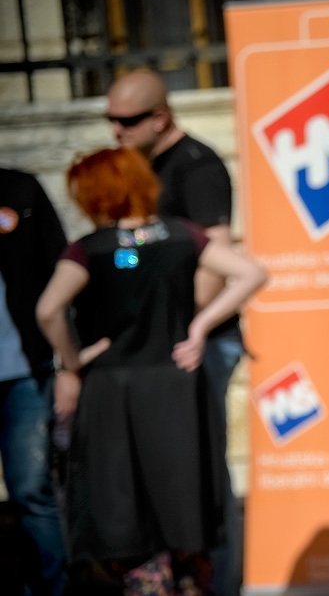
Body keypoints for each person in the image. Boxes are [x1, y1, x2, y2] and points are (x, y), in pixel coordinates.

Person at [35, 147, 267, 594]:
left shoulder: (90, 249)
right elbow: (252, 273)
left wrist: (71, 360)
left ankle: (147, 583)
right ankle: (188, 581)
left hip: (110, 390)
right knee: (183, 497)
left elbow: (48, 310)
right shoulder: (182, 235)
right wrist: (200, 327)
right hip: (176, 386)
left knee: (121, 499)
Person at [106, 69, 245, 595]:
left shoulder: (197, 166)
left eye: (127, 120)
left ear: (160, 117)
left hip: (198, 342)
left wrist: (185, 329)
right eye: (110, 119)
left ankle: (220, 585)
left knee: (204, 468)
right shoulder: (140, 163)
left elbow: (215, 262)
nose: (116, 130)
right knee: (172, 468)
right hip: (164, 343)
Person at [0, 168, 68, 595]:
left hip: (24, 371)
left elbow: (60, 267)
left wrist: (69, 364)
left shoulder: (19, 190)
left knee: (31, 491)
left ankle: (51, 589)